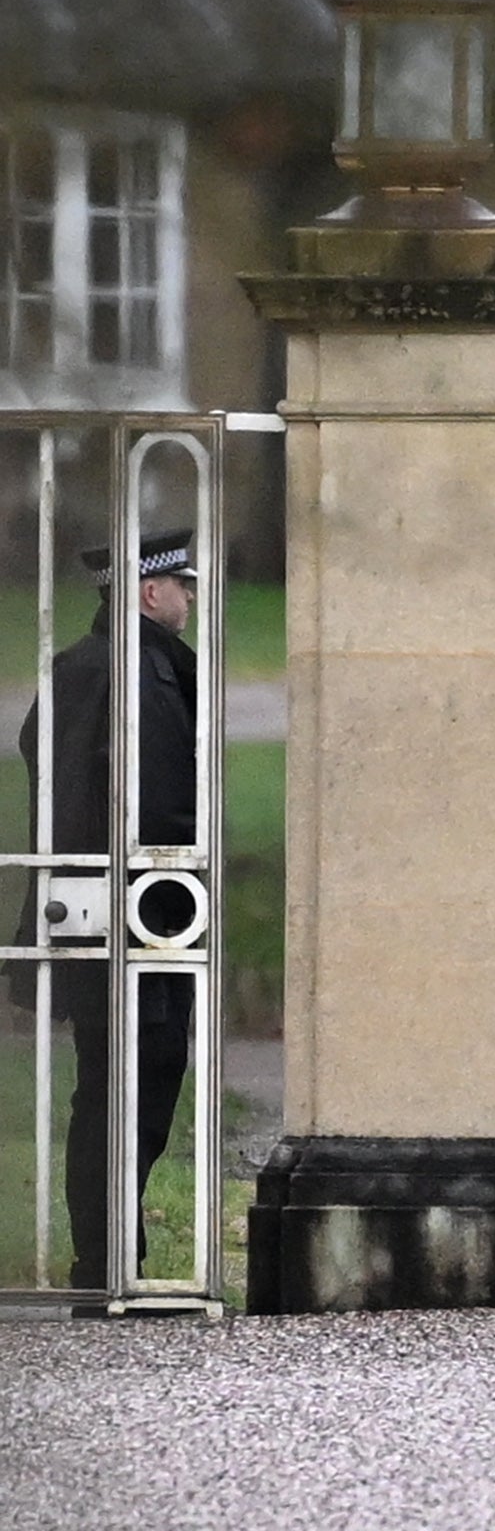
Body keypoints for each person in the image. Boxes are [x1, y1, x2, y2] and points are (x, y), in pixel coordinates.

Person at [14, 530, 199, 1289]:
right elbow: (157, 805)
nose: (191, 598)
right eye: (184, 585)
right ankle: (107, 1261)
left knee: (118, 1081)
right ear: (151, 592)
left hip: (108, 909)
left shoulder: (89, 667)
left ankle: (110, 1254)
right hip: (136, 914)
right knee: (129, 1085)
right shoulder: (134, 673)